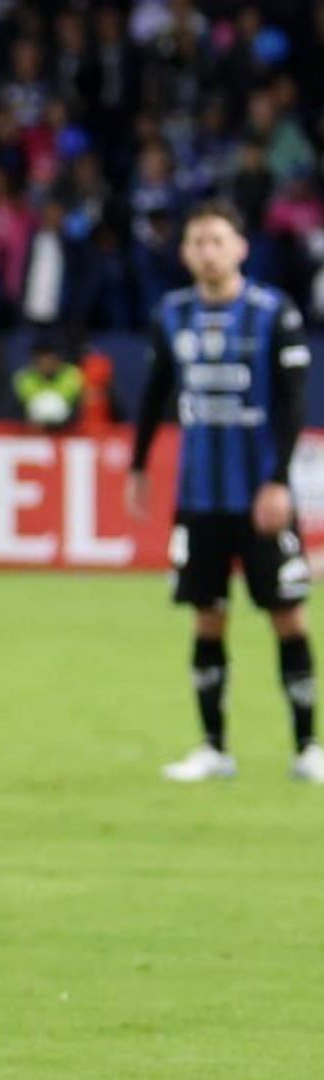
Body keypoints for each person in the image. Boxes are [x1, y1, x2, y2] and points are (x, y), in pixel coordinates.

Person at [127, 200, 323, 784]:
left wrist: (278, 480)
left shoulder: (273, 312)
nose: (207, 252)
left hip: (260, 498)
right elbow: (154, 392)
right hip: (200, 499)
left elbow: (293, 403)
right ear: (185, 253)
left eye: (217, 240)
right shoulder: (173, 313)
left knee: (288, 616)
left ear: (240, 248)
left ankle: (308, 746)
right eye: (197, 242)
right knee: (207, 618)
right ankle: (214, 748)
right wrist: (138, 464)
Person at [14, 339, 83, 431]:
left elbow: (66, 402)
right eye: (42, 360)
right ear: (35, 361)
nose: (47, 363)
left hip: (69, 426)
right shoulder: (24, 377)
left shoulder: (73, 375)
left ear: (59, 359)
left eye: (51, 359)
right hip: (34, 428)